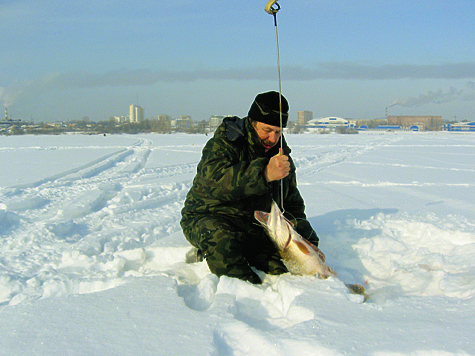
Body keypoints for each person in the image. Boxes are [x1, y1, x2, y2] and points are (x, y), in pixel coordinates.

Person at [180, 91, 320, 284]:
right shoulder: (226, 141)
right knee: (223, 244)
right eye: (267, 130)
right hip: (210, 216)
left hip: (254, 224)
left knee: (285, 266)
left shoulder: (281, 156)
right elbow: (213, 182)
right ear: (252, 121)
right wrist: (263, 174)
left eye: (278, 132)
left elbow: (291, 201)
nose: (273, 138)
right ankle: (247, 295)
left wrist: (300, 232)